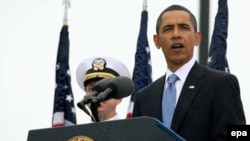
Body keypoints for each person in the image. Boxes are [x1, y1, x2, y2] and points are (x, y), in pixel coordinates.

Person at [132, 4, 246, 140]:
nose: (176, 35)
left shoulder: (222, 84)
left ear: (197, 38)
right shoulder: (143, 97)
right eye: (168, 29)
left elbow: (238, 136)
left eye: (183, 27)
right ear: (157, 41)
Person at [76, 56, 131, 122]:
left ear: (119, 99)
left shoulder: (131, 131)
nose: (98, 95)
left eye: (105, 89)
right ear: (85, 97)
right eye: (92, 89)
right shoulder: (76, 132)